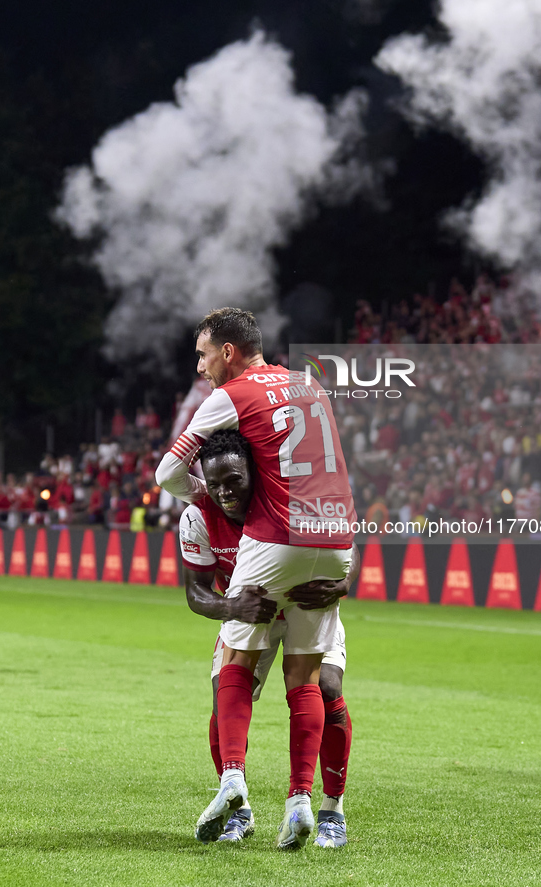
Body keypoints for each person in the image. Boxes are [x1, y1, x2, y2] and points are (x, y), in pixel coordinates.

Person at [156, 307, 356, 850]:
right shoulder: (311, 385)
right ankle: (300, 802)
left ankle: (235, 785)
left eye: (202, 355)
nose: (200, 368)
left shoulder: (229, 396)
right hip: (335, 538)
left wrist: (203, 497)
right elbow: (329, 470)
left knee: (234, 671)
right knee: (309, 682)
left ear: (227, 352)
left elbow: (167, 473)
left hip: (276, 538)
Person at [180, 430, 357, 847]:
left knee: (327, 686)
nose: (224, 492)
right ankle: (237, 812)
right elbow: (196, 592)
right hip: (251, 613)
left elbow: (342, 537)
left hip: (303, 603)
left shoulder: (286, 498)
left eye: (234, 481)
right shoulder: (198, 515)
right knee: (221, 693)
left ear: (254, 473)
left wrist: (345, 583)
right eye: (215, 482)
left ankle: (332, 810)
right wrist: (231, 608)